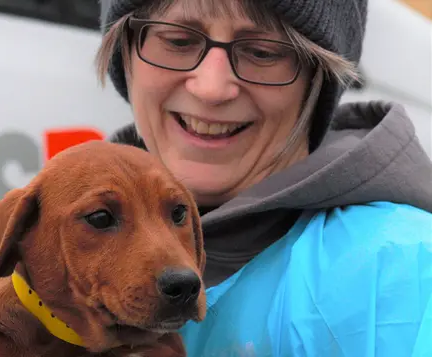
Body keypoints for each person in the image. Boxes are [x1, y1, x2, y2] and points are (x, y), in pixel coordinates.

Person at [96, 0, 432, 356]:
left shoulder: (397, 273)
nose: (211, 88)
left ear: (318, 78)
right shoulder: (52, 241)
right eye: (177, 41)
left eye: (262, 52)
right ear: (124, 53)